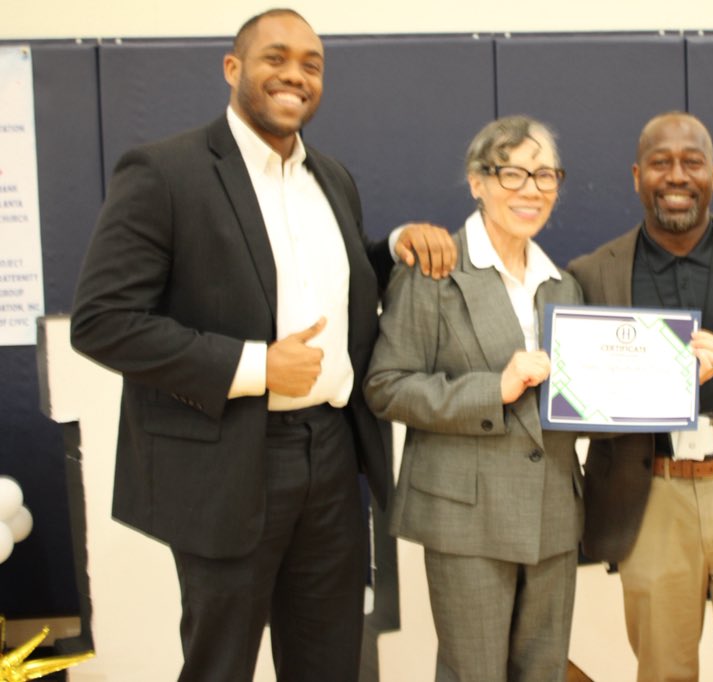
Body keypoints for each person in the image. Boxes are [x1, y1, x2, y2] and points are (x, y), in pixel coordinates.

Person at [70, 9, 456, 681]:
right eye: (276, 57)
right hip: (229, 461)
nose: (295, 74)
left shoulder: (331, 177)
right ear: (233, 68)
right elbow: (102, 320)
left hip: (333, 457)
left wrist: (392, 249)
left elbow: (320, 280)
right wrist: (255, 366)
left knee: (330, 661)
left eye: (311, 64)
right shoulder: (165, 172)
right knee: (221, 665)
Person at [568, 111, 713, 681]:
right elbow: (583, 402)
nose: (676, 175)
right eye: (660, 162)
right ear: (636, 175)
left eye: (691, 162)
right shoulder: (594, 272)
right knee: (663, 670)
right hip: (653, 493)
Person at [364, 116, 583, 681]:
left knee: (544, 673)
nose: (530, 189)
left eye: (544, 175)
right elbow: (386, 386)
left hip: (553, 512)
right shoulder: (433, 270)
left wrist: (680, 371)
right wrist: (496, 389)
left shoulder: (565, 285)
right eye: (511, 173)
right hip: (467, 518)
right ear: (476, 182)